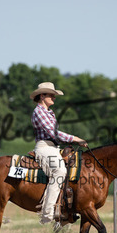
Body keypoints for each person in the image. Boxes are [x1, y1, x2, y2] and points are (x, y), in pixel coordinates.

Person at [30, 82, 88, 225]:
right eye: (51, 95)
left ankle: (65, 209)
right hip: (44, 147)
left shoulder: (50, 112)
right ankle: (47, 213)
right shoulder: (39, 112)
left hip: (53, 147)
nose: (54, 98)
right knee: (60, 171)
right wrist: (75, 139)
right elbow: (53, 133)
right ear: (42, 96)